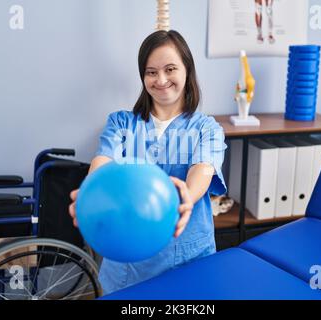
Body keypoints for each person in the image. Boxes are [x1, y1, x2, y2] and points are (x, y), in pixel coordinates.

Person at [68, 30, 227, 295]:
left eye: (170, 69)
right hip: (128, 266)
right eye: (151, 72)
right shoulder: (121, 123)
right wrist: (90, 190)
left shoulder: (206, 128)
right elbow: (103, 160)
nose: (161, 79)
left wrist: (186, 195)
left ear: (187, 70)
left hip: (189, 259)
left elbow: (203, 168)